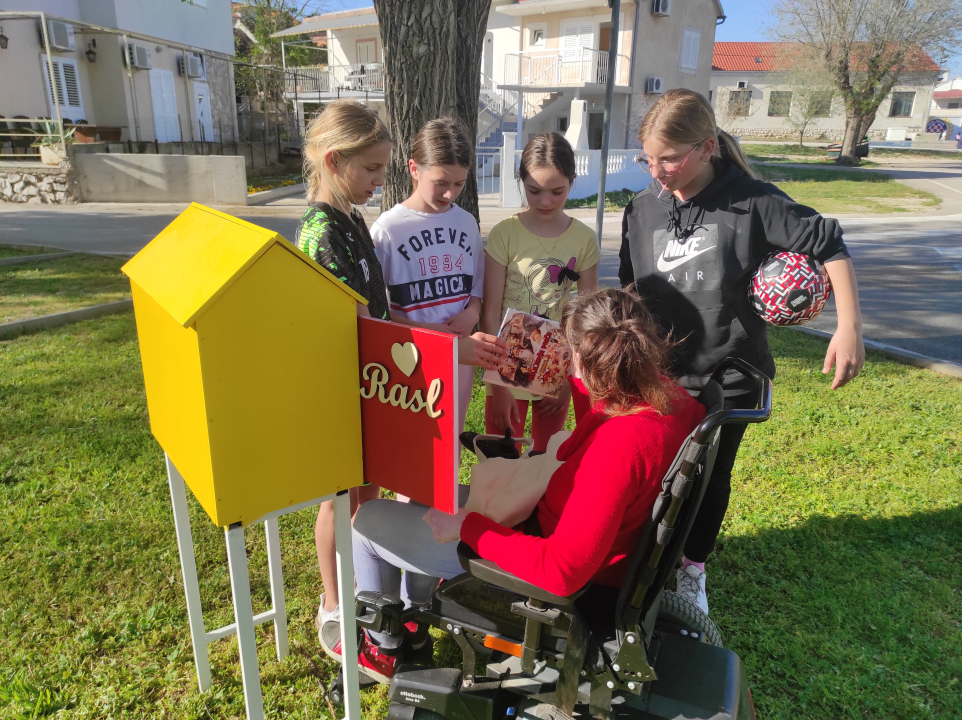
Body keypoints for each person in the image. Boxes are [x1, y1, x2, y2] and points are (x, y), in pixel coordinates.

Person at [318, 288, 706, 682]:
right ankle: (414, 621)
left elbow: (562, 570)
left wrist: (467, 527)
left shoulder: (619, 447)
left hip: (534, 560)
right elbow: (588, 429)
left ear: (587, 359)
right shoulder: (672, 399)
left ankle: (382, 650)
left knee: (366, 521)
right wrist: (574, 378)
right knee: (430, 498)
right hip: (546, 517)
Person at [618, 89, 865, 615]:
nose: (657, 170)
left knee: (709, 475)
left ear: (707, 148)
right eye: (648, 158)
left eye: (670, 158)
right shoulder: (641, 209)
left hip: (728, 372)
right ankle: (640, 556)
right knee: (651, 466)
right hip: (659, 369)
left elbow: (829, 244)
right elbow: (628, 290)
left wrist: (849, 329)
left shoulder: (752, 201)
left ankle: (691, 571)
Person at [296, 100, 507, 648]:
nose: (376, 181)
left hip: (374, 385)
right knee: (341, 499)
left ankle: (374, 600)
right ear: (334, 160)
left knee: (368, 494)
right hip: (349, 389)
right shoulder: (323, 233)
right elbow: (363, 328)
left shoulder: (350, 221)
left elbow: (373, 318)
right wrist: (451, 348)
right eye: (369, 170)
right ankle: (337, 606)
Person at [482, 133, 600, 452]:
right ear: (521, 182)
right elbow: (490, 311)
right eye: (534, 191)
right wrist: (498, 383)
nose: (544, 201)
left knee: (545, 462)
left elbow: (588, 319)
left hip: (555, 367)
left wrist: (567, 378)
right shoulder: (505, 233)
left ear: (572, 183)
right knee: (501, 462)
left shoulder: (585, 239)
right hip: (506, 366)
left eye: (556, 191)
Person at [371, 117, 485, 433]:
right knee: (415, 445)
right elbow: (376, 312)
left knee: (451, 440)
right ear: (414, 169)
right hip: (410, 364)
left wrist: (472, 312)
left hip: (458, 359)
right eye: (441, 182)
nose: (450, 194)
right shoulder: (388, 230)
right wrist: (427, 333)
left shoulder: (466, 223)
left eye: (459, 184)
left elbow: (476, 284)